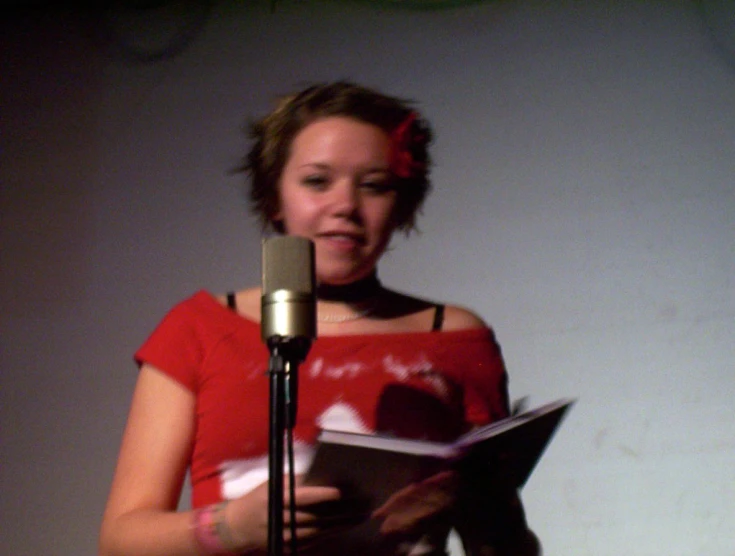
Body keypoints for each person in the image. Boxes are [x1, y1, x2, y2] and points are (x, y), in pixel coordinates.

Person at [99, 81, 540, 556]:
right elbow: (121, 540)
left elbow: (500, 543)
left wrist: (493, 519)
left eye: (373, 185)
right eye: (316, 181)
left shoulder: (454, 337)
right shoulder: (199, 328)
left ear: (402, 204)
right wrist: (234, 526)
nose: (345, 206)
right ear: (274, 196)